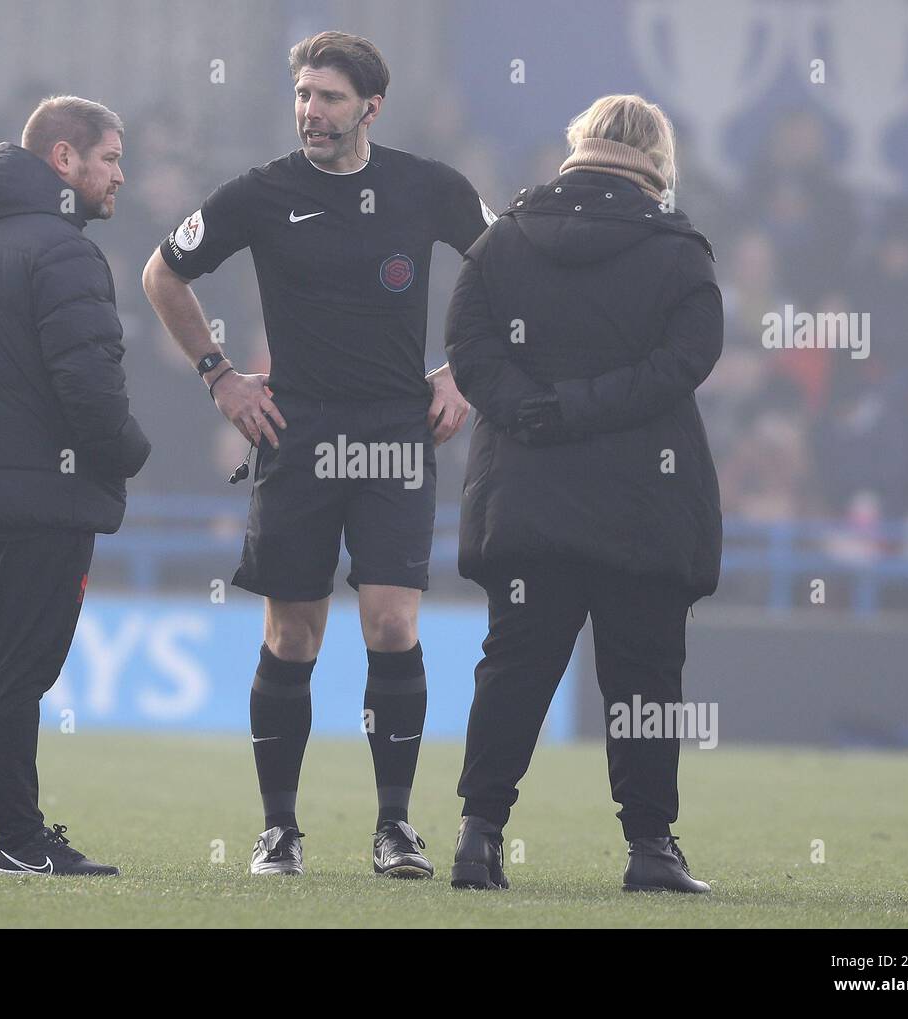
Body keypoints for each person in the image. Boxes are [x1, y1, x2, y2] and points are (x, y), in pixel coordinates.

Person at [143, 31, 495, 878]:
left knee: (391, 622)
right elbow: (162, 274)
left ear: (371, 107)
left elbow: (512, 270)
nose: (312, 110)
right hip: (293, 434)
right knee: (293, 636)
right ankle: (279, 829)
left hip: (394, 432)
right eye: (303, 94)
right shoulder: (262, 193)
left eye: (330, 97)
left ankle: (396, 828)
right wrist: (220, 376)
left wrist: (465, 374)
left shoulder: (428, 186)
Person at [444, 94, 722, 893]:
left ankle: (478, 834)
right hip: (646, 503)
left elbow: (468, 347)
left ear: (579, 147)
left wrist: (533, 410)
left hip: (527, 496)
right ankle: (650, 847)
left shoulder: (500, 244)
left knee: (515, 666)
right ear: (656, 160)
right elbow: (686, 361)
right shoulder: (677, 251)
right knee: (645, 679)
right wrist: (587, 408)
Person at [0, 96, 151, 877]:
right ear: (64, 160)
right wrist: (129, 451)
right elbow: (87, 387)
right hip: (43, 492)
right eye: (110, 158)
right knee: (23, 668)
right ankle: (18, 838)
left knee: (4, 649)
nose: (121, 174)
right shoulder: (62, 250)